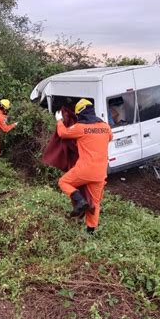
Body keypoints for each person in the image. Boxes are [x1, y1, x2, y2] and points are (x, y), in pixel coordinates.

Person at [55, 98, 113, 234]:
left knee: (63, 182)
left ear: (80, 113)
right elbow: (110, 137)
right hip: (100, 172)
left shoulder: (81, 128)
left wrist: (59, 121)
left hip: (85, 170)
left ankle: (80, 201)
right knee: (95, 203)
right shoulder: (105, 127)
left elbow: (62, 133)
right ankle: (90, 232)